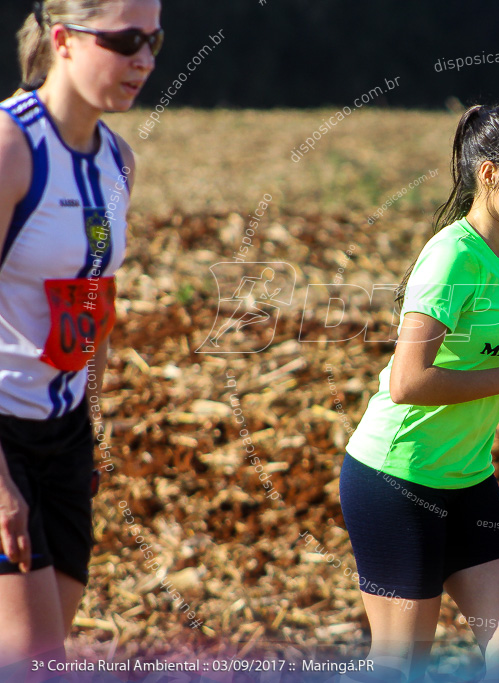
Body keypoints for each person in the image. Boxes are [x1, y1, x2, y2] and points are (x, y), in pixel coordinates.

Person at [339, 102, 499, 683]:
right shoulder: (451, 257)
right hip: (399, 477)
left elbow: (479, 358)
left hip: (467, 479)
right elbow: (408, 381)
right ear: (490, 173)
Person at [0, 0, 161, 669]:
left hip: (62, 434)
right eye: (125, 41)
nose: (144, 62)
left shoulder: (116, 161)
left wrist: (90, 415)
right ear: (63, 39)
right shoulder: (11, 146)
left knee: (45, 651)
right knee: (35, 655)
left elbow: (95, 300)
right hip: (2, 432)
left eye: (153, 42)